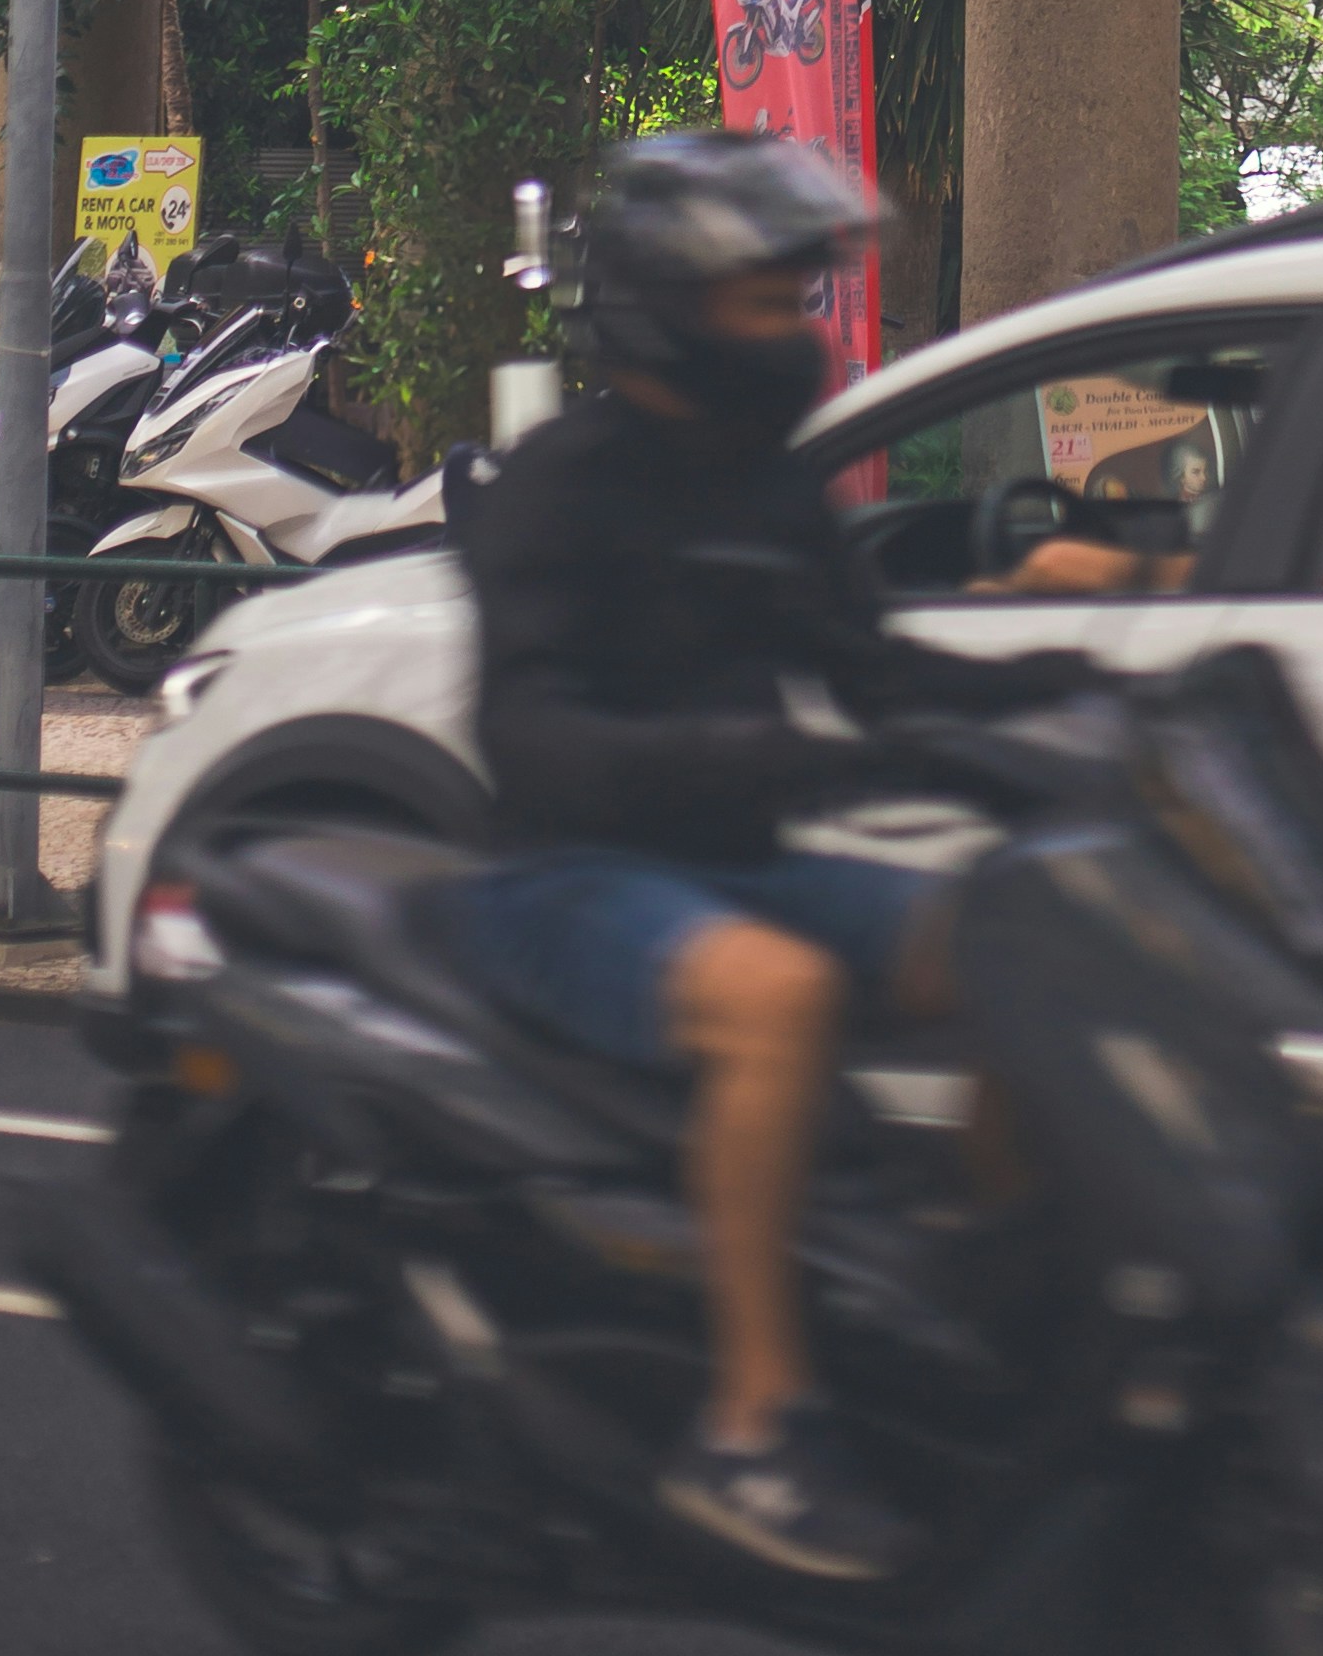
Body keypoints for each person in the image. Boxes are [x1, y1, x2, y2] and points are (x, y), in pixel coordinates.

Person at [447, 130, 1055, 1587]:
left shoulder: (767, 485)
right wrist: (764, 761)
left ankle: (988, 1314)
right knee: (777, 998)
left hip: (744, 865)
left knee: (1036, 939)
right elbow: (529, 736)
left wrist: (1078, 697)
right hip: (563, 883)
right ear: (665, 302)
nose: (796, 329)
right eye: (765, 301)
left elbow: (872, 673)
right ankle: (755, 1424)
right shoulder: (564, 479)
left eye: (801, 297)